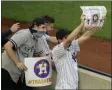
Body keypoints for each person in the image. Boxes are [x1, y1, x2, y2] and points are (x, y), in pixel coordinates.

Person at [52, 14, 101, 89]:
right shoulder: (56, 50)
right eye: (65, 37)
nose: (69, 38)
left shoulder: (72, 45)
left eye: (69, 35)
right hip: (64, 87)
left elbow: (85, 36)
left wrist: (98, 24)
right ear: (59, 40)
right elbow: (68, 40)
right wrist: (82, 24)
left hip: (73, 86)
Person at [1, 17, 48, 90]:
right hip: (7, 70)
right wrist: (17, 62)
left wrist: (49, 59)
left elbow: (42, 54)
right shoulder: (24, 34)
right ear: (35, 26)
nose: (45, 30)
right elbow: (7, 46)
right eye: (43, 27)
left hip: (18, 73)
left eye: (46, 28)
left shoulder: (38, 38)